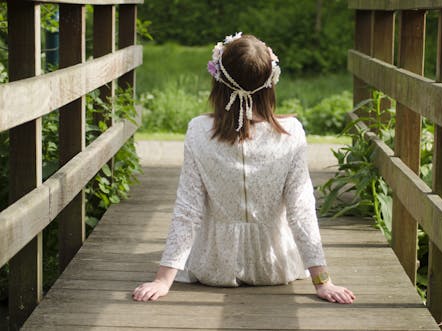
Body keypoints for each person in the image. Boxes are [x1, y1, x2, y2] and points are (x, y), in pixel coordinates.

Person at [132, 33, 356, 304]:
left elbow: (188, 209)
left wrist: (162, 279)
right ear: (271, 83)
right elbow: (301, 210)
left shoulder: (198, 131)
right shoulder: (291, 133)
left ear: (218, 81)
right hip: (274, 266)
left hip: (213, 267)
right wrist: (323, 281)